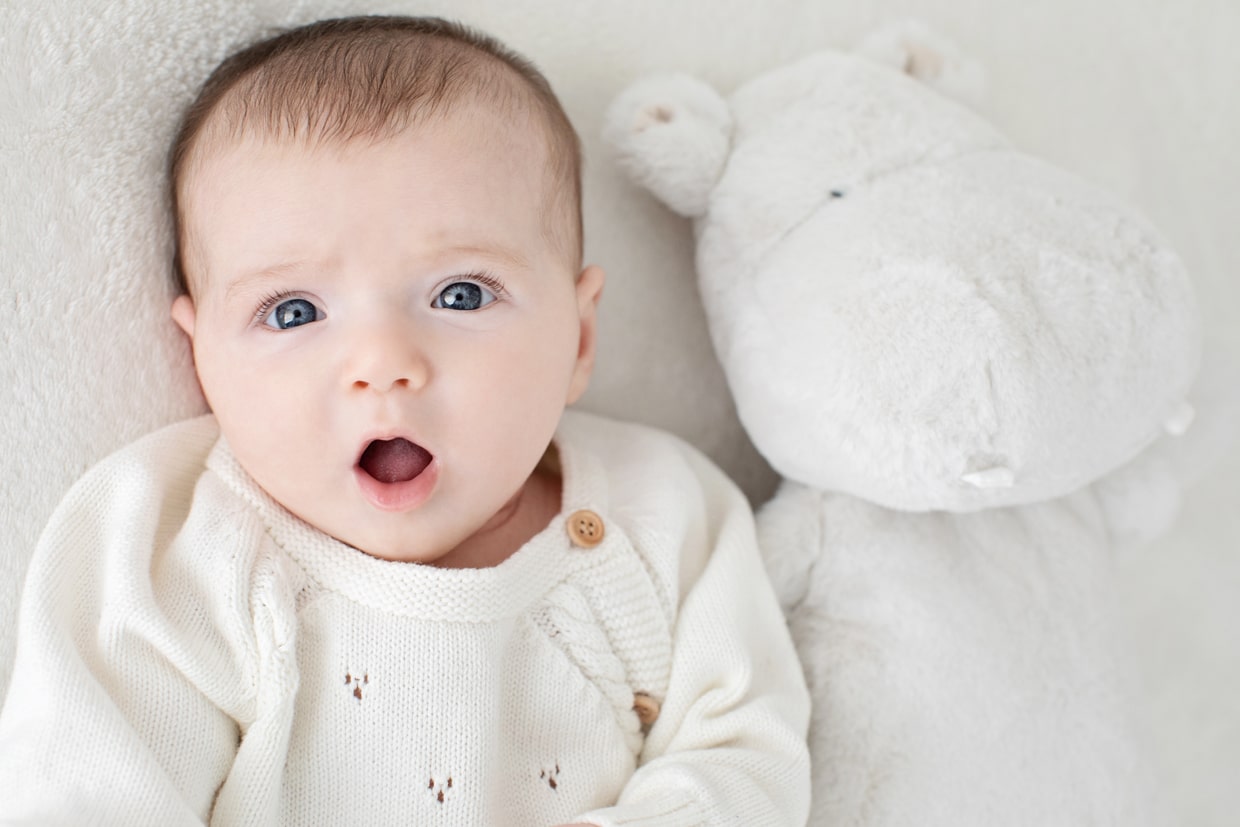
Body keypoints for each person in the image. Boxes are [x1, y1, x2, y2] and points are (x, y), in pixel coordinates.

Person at [0, 15, 810, 826]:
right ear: (202, 359)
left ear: (579, 336)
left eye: (460, 294)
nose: (382, 362)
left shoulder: (665, 514)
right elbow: (86, 789)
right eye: (293, 311)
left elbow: (745, 759)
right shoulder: (174, 543)